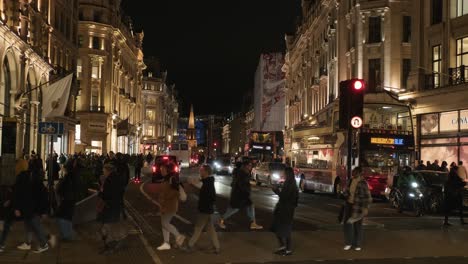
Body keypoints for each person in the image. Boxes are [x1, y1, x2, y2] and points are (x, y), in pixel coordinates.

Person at [14, 158, 50, 253]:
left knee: (35, 225)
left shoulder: (21, 177)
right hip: (32, 206)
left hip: (29, 207)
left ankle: (44, 244)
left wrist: (17, 208)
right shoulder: (30, 176)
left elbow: (19, 194)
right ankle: (28, 243)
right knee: (29, 225)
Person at [218, 160, 263, 230]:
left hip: (241, 194)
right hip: (240, 195)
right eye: (249, 165)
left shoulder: (242, 173)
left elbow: (240, 183)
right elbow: (242, 184)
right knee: (234, 209)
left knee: (249, 206)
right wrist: (247, 190)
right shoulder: (242, 173)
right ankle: (221, 219)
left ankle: (252, 223)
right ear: (245, 166)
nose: (250, 167)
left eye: (251, 165)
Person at [186, 164, 220, 254]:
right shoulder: (207, 182)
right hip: (207, 209)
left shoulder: (208, 183)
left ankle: (190, 245)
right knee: (211, 230)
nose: (200, 172)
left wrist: (193, 187)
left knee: (198, 229)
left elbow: (208, 196)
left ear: (206, 172)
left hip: (204, 210)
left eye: (201, 170)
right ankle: (216, 247)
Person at [97, 163, 128, 254]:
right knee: (108, 226)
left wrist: (100, 193)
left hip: (110, 206)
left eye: (104, 171)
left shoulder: (109, 180)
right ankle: (113, 243)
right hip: (116, 205)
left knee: (107, 227)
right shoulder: (117, 178)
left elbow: (106, 194)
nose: (103, 173)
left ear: (107, 171)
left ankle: (112, 245)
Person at [342, 167, 372, 251]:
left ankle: (357, 244)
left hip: (358, 206)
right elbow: (346, 191)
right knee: (347, 224)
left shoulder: (363, 183)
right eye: (352, 172)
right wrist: (345, 193)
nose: (352, 173)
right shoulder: (350, 181)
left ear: (359, 173)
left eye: (354, 172)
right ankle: (348, 243)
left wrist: (366, 208)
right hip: (349, 205)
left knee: (358, 225)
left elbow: (368, 197)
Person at [271, 167, 299, 256]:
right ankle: (283, 246)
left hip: (285, 210)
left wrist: (276, 191)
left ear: (288, 174)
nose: (283, 174)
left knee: (284, 228)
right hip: (287, 209)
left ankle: (287, 249)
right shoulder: (291, 183)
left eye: (284, 173)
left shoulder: (289, 184)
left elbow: (284, 197)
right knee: (279, 227)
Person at [157, 163, 185, 250]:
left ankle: (178, 236)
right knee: (164, 224)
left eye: (163, 169)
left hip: (170, 206)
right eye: (161, 169)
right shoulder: (166, 179)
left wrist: (165, 198)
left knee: (165, 223)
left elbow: (175, 192)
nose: (161, 171)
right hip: (165, 205)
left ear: (168, 170)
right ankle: (166, 243)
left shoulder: (171, 179)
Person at [55, 160, 77, 241]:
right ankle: (68, 234)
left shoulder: (67, 178)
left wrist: (59, 189)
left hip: (67, 199)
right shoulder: (73, 176)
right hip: (71, 199)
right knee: (67, 217)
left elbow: (61, 189)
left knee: (62, 217)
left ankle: (67, 235)